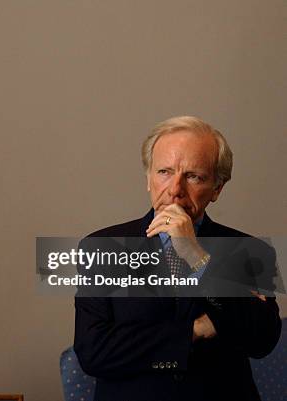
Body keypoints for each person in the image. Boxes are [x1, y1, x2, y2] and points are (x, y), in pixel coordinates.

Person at [73, 116, 281, 401]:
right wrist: (194, 331)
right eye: (164, 172)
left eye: (194, 176)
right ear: (148, 178)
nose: (175, 190)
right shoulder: (100, 247)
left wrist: (197, 259)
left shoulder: (249, 250)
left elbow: (261, 340)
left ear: (217, 188)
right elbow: (94, 353)